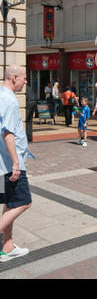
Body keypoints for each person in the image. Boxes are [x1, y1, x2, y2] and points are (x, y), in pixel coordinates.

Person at [0, 65, 34, 262]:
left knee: (10, 204)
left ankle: (7, 246)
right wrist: (15, 163)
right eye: (24, 78)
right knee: (24, 202)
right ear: (14, 78)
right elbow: (8, 133)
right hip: (11, 164)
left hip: (3, 162)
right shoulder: (10, 100)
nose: (26, 82)